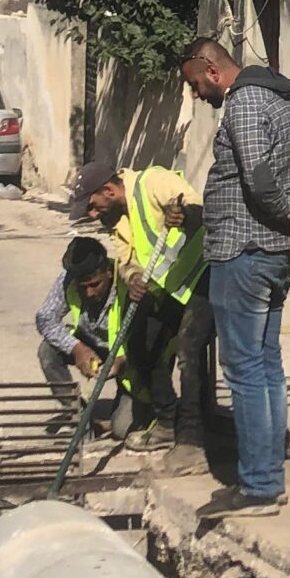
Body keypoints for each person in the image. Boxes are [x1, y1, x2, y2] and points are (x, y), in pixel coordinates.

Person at [178, 37, 290, 517]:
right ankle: (269, 474)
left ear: (211, 69)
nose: (196, 94)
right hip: (274, 253)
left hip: (244, 253)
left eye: (195, 84)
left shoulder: (243, 103)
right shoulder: (284, 98)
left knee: (243, 370)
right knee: (266, 366)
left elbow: (259, 181)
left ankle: (259, 485)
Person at [71, 157, 211, 477]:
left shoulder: (153, 182)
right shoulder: (117, 221)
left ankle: (192, 442)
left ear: (109, 191)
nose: (92, 215)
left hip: (204, 276)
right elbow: (126, 260)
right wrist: (133, 277)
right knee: (142, 342)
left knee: (189, 350)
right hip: (170, 288)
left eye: (92, 206)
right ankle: (166, 421)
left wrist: (184, 215)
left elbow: (199, 210)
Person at [34, 234, 135, 438]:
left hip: (130, 357)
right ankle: (78, 417)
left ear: (108, 272)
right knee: (47, 351)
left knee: (122, 428)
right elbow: (45, 318)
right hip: (93, 344)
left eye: (95, 284)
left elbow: (151, 341)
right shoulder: (69, 280)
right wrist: (76, 348)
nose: (88, 293)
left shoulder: (128, 284)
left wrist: (122, 360)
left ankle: (150, 413)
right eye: (83, 287)